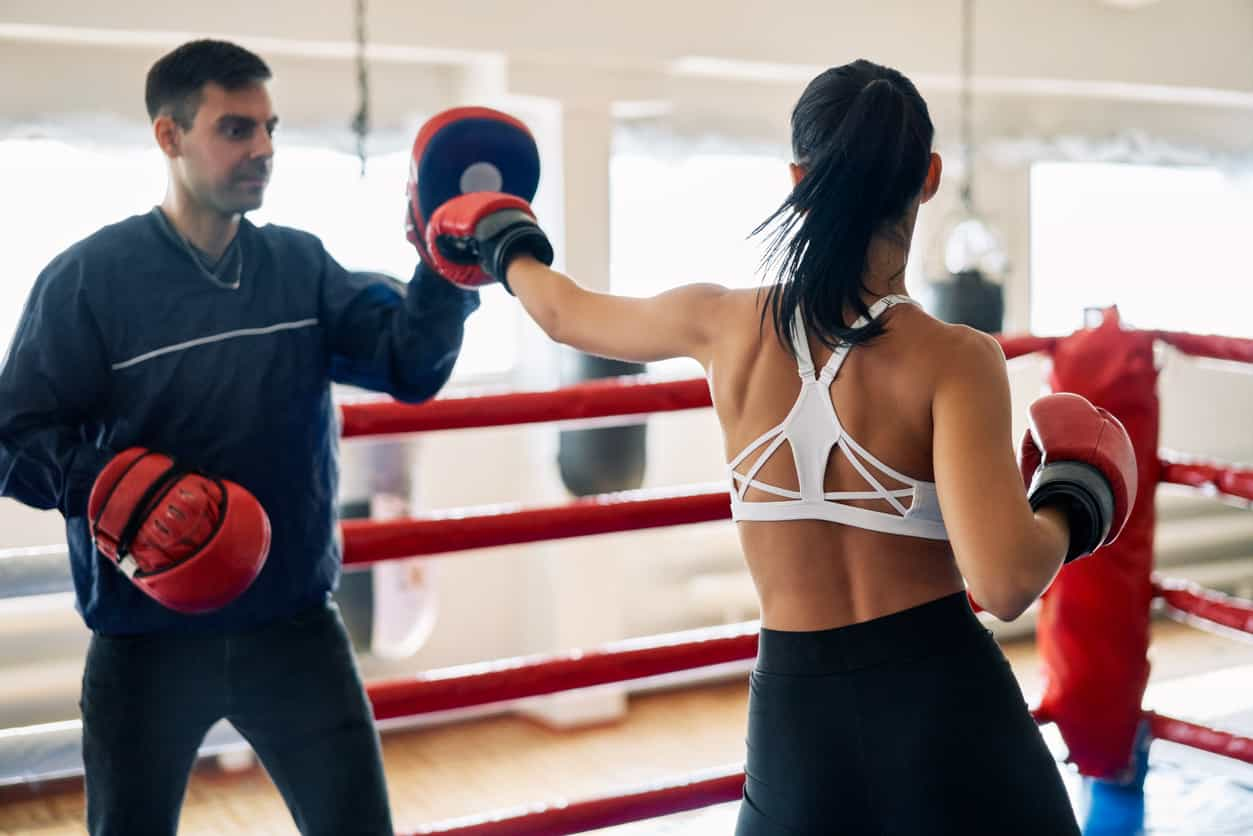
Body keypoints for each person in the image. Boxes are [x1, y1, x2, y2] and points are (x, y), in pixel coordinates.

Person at [419, 61, 1137, 834]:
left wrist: (501, 238)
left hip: (798, 713)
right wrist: (1070, 501)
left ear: (797, 178)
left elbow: (562, 313)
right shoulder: (955, 358)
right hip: (943, 705)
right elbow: (1002, 582)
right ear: (927, 179)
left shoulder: (719, 322)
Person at [0, 39, 480, 835]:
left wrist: (444, 270)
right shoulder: (91, 278)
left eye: (269, 129)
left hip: (291, 625)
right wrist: (115, 489)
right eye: (235, 129)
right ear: (170, 136)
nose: (262, 150)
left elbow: (408, 366)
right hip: (144, 639)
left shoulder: (298, 265)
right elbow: (12, 436)